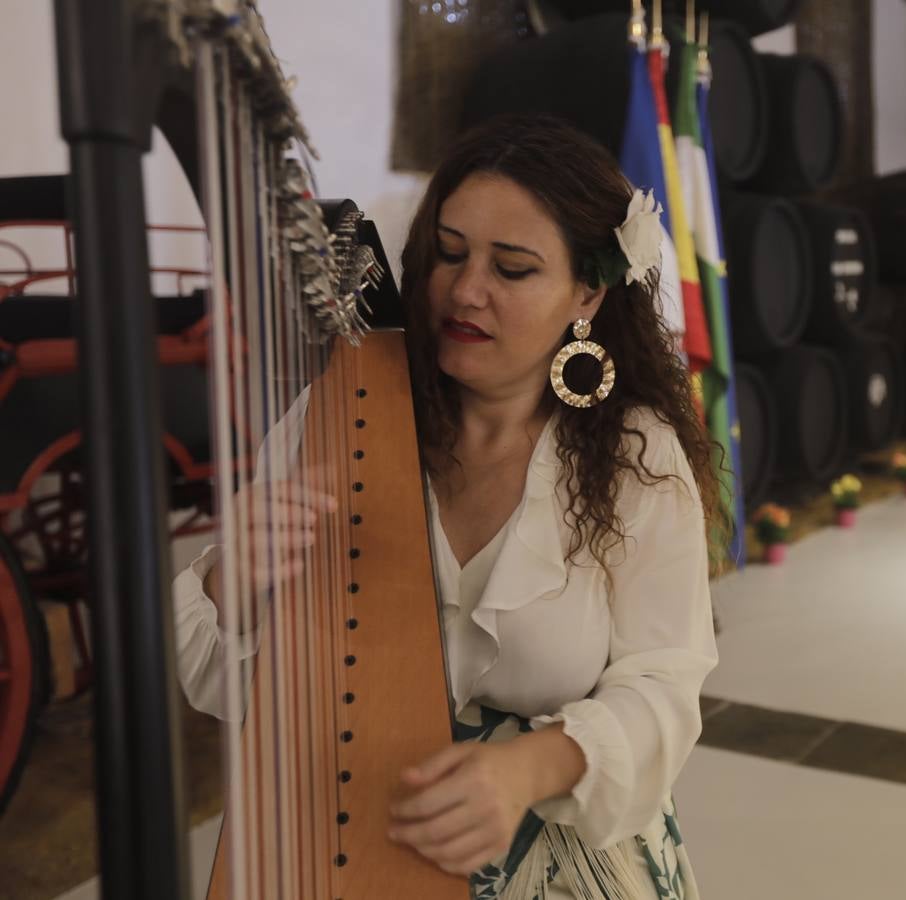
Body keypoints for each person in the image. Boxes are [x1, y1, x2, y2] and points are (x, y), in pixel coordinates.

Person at [172, 115, 721, 899]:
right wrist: (233, 582)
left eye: (514, 268)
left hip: (561, 857)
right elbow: (237, 688)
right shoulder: (338, 416)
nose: (465, 291)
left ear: (588, 293)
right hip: (352, 830)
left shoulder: (637, 457)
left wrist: (528, 766)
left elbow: (664, 688)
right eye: (451, 253)